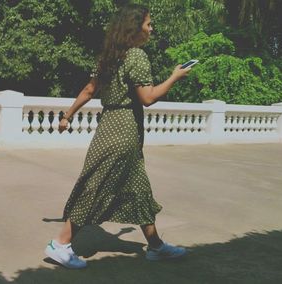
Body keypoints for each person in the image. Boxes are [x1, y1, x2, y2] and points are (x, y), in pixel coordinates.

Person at [44, 3, 191, 269]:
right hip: (124, 129)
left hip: (109, 125)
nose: (151, 28)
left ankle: (156, 246)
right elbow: (147, 98)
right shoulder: (136, 56)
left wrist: (67, 116)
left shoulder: (111, 56)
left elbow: (89, 90)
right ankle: (60, 244)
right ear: (135, 29)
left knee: (138, 189)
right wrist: (174, 77)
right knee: (95, 187)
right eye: (148, 24)